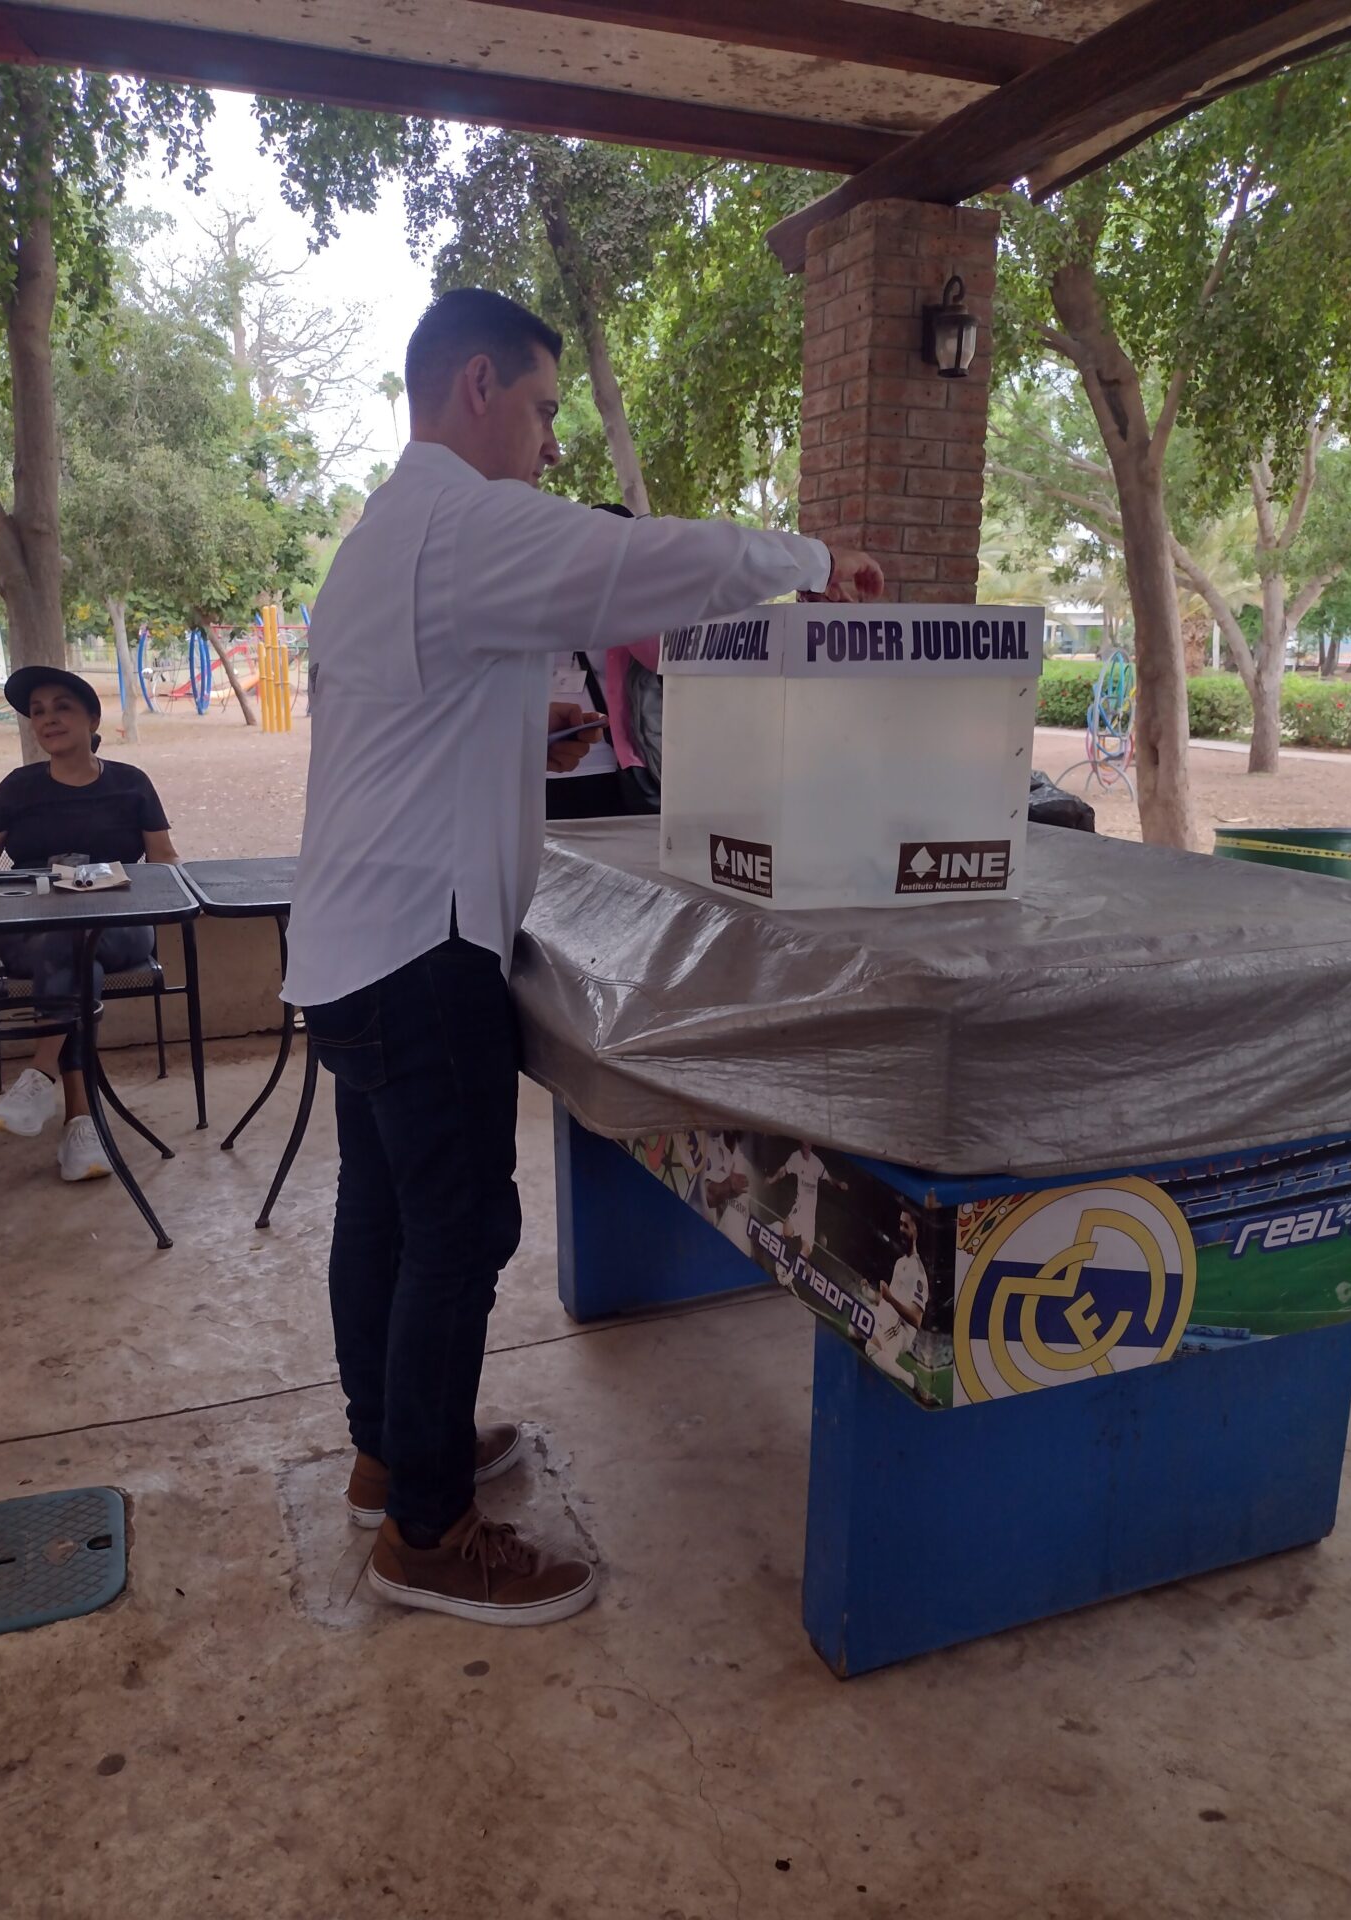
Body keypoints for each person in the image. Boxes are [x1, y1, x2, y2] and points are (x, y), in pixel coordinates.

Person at [284, 285, 884, 1628]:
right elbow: (639, 563)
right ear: (478, 385)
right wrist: (807, 555)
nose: (553, 440)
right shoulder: (461, 521)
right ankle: (429, 1534)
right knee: (458, 1232)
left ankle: (392, 1457)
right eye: (545, 408)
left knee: (384, 1215)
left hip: (350, 941)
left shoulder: (383, 536)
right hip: (421, 948)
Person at [0, 667, 180, 1181]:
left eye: (62, 707)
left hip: (119, 927)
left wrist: (148, 887)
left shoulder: (131, 784)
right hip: (34, 931)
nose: (48, 719)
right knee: (72, 950)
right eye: (38, 711)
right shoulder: (18, 788)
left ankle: (41, 1074)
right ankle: (80, 1122)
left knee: (77, 937)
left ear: (92, 720)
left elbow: (165, 859)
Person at [545, 501, 661, 820]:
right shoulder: (550, 597)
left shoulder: (637, 601)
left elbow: (657, 658)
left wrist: (623, 596)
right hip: (551, 761)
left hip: (614, 763)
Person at [866, 1208, 930, 1381]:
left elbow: (916, 1320)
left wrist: (890, 1299)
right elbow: (888, 1299)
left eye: (906, 1226)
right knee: (855, 1326)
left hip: (900, 1328)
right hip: (888, 1315)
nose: (901, 1229)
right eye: (900, 1224)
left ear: (916, 1230)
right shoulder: (900, 1262)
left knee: (871, 1348)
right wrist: (870, 1293)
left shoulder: (918, 1273)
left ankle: (911, 1380)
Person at [774, 1141, 849, 1281]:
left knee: (807, 1249)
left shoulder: (817, 1163)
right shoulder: (795, 1157)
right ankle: (780, 1262)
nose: (806, 1148)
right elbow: (784, 1170)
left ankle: (788, 1278)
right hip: (799, 1207)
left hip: (810, 1217)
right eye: (803, 1145)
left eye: (808, 1145)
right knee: (785, 1230)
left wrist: (839, 1184)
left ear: (811, 1146)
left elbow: (829, 1179)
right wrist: (773, 1178)